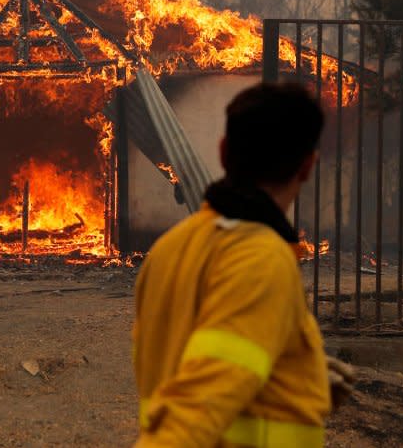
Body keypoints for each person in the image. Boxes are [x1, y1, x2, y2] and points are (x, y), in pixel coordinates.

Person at [132, 81, 353, 447]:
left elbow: (196, 358)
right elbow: (197, 407)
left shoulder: (169, 250)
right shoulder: (262, 259)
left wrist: (300, 376)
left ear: (223, 153)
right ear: (307, 167)